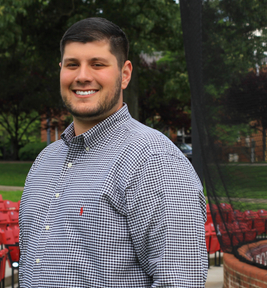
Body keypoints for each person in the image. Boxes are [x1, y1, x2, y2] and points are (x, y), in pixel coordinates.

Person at [19, 17, 208, 287]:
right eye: (72, 65)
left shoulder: (153, 160)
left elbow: (179, 281)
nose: (82, 76)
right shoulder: (45, 161)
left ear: (125, 73)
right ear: (61, 70)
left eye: (98, 64)